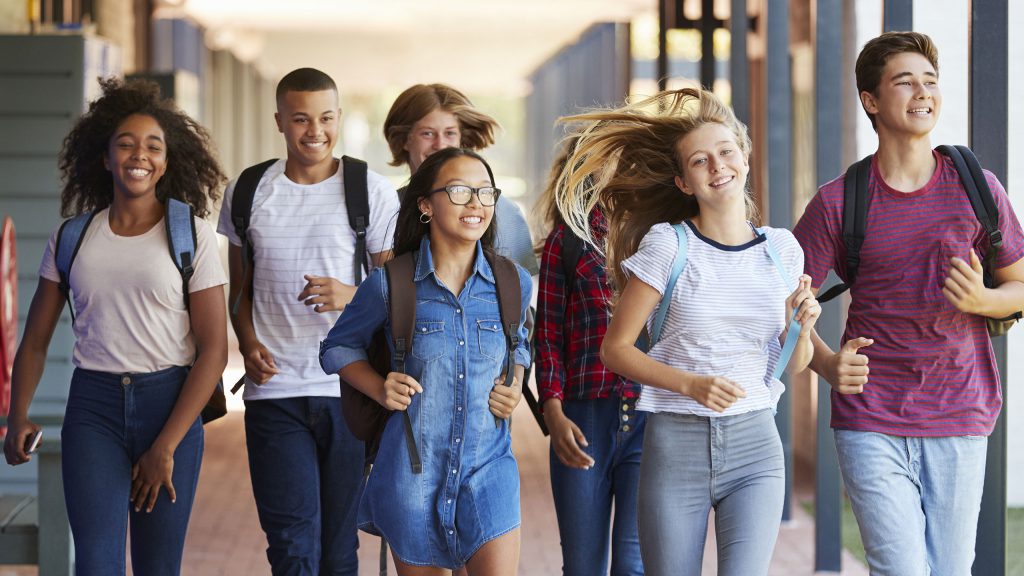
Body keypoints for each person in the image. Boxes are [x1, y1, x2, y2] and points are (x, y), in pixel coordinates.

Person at [556, 88, 821, 575]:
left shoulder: (783, 250)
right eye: (700, 161)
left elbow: (793, 363)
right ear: (683, 181)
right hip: (676, 445)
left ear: (744, 156)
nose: (717, 165)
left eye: (725, 152)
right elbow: (614, 350)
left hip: (756, 445)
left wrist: (803, 329)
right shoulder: (668, 245)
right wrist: (689, 384)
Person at [792, 31, 1024, 575]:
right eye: (905, 82)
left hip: (959, 412)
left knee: (947, 570)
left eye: (930, 81)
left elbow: (1020, 285)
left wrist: (985, 298)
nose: (923, 92)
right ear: (870, 101)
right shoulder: (838, 200)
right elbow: (780, 298)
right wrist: (826, 363)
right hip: (869, 414)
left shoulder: (978, 188)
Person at [2, 78, 227, 575]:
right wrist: (18, 415)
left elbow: (213, 351)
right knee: (97, 564)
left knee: (157, 566)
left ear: (166, 162)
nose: (138, 155)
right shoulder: (72, 238)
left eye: (152, 146)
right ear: (105, 159)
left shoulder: (191, 235)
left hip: (170, 406)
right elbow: (36, 340)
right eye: (125, 144)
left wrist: (165, 446)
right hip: (94, 409)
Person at [216, 68, 400, 575]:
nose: (314, 131)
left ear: (338, 118)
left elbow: (395, 299)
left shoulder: (370, 190)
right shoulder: (249, 190)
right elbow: (240, 292)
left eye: (324, 118)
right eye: (300, 119)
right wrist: (247, 341)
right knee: (291, 547)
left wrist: (350, 295)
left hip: (348, 389)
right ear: (280, 121)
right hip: (274, 393)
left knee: (339, 549)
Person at [319, 147, 530, 575]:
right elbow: (337, 347)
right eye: (459, 191)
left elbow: (518, 343)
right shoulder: (390, 284)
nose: (476, 203)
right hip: (412, 474)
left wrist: (516, 382)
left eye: (486, 192)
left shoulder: (513, 281)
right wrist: (379, 387)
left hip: (489, 468)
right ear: (425, 205)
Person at [534, 140, 645, 576]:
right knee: (581, 566)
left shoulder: (658, 232)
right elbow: (547, 337)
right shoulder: (569, 239)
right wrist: (554, 412)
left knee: (634, 566)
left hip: (648, 417)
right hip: (582, 420)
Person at [383, 83, 539, 275]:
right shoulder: (383, 209)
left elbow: (521, 292)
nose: (440, 145)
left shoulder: (504, 213)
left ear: (461, 140)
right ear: (405, 140)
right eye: (428, 133)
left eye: (450, 133)